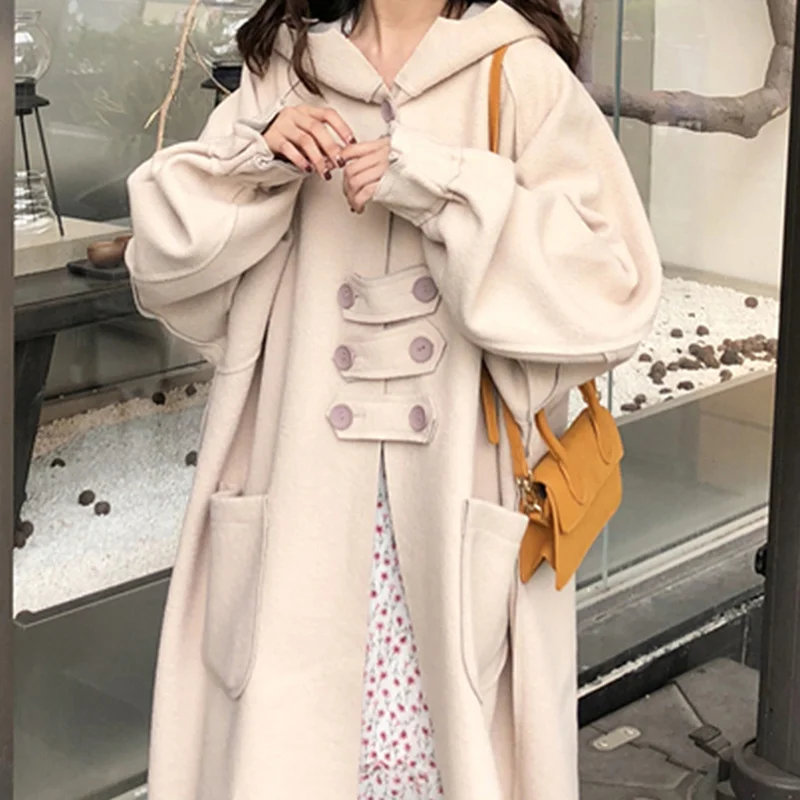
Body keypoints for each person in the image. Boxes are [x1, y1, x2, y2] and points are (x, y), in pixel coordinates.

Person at [125, 0, 662, 795]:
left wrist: (446, 186)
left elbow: (614, 289)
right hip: (296, 500)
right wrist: (257, 159)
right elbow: (163, 264)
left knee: (447, 757)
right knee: (290, 757)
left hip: (457, 507)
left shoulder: (518, 73)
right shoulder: (289, 71)